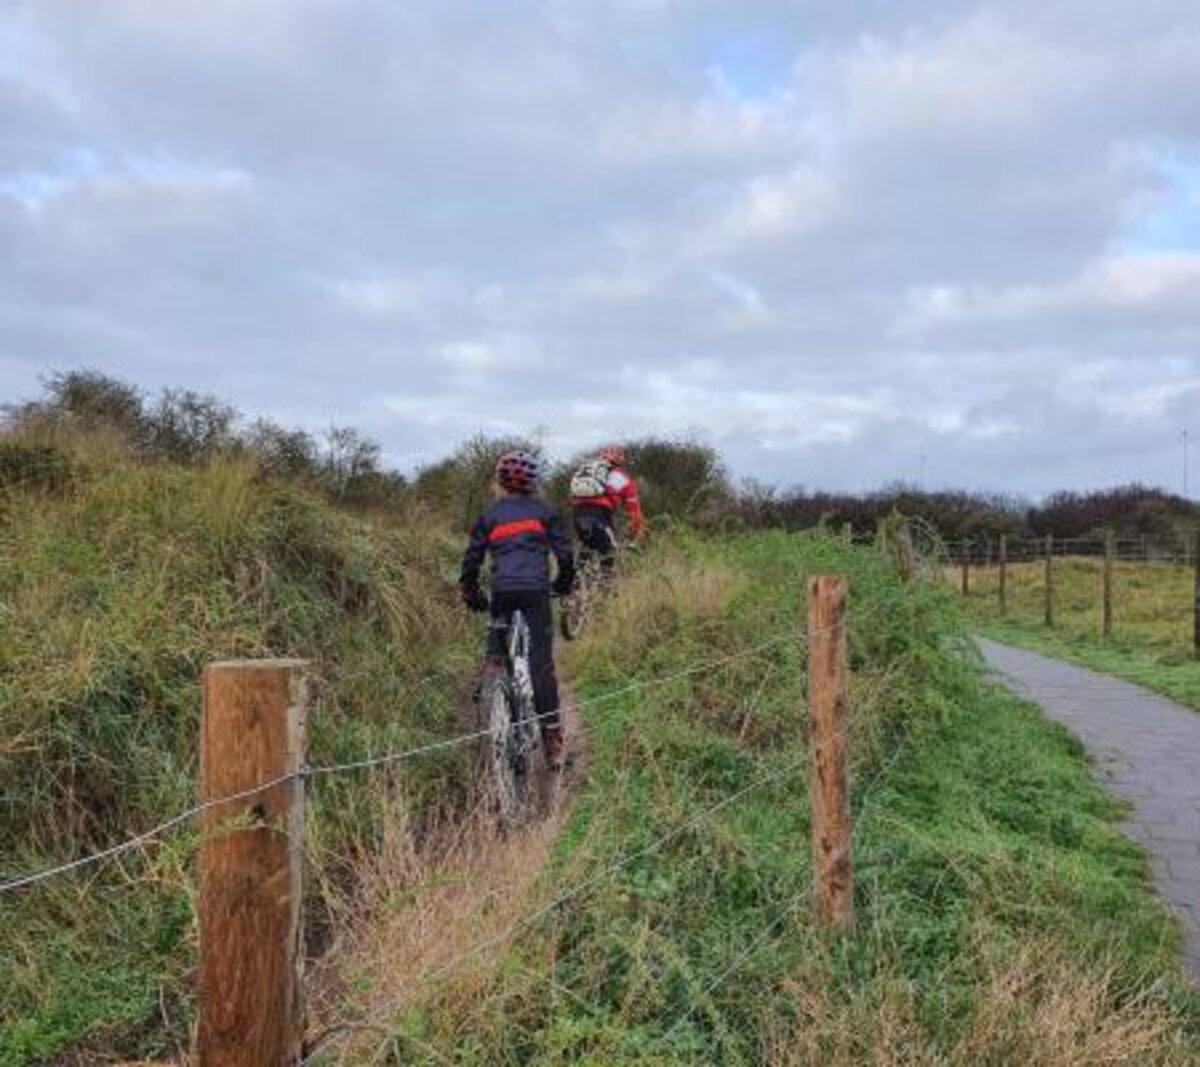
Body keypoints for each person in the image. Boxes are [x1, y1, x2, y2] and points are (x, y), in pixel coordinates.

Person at [460, 449, 575, 767]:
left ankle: (492, 687)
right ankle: (553, 743)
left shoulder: (489, 515)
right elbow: (565, 557)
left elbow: (471, 560)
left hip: (502, 594)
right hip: (536, 593)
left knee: (496, 657)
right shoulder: (544, 512)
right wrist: (564, 583)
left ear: (499, 482)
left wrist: (470, 593)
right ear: (534, 483)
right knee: (541, 666)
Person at [568, 445, 646, 575]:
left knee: (587, 546)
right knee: (609, 552)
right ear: (621, 461)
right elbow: (635, 513)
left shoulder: (586, 474)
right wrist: (637, 533)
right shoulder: (624, 479)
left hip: (577, 515)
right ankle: (605, 589)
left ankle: (576, 586)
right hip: (600, 515)